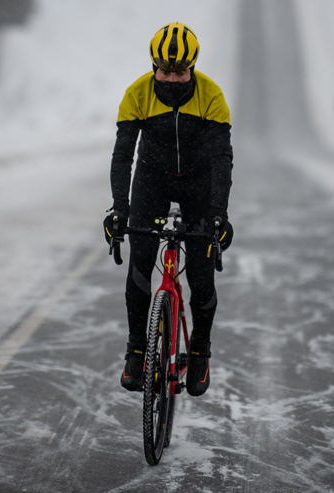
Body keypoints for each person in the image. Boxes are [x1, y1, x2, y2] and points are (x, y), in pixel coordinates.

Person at [103, 22, 234, 397]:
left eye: (179, 72)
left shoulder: (211, 96)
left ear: (191, 67)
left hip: (198, 182)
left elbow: (222, 159)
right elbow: (123, 155)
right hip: (152, 179)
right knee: (141, 263)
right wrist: (119, 208)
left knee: (201, 275)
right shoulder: (137, 94)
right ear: (154, 66)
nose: (172, 79)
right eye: (164, 71)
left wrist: (218, 213)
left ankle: (199, 353)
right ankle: (137, 349)